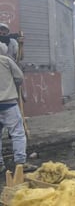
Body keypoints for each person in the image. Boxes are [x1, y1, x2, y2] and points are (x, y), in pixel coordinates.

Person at [0, 42, 35, 172]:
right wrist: (12, 86)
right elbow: (19, 77)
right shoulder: (6, 60)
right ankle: (20, 163)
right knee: (18, 133)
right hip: (8, 103)